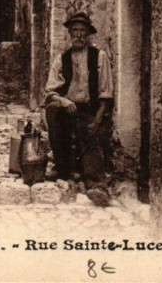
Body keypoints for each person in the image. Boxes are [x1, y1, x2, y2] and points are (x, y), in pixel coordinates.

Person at [44, 11, 114, 206]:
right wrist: (64, 101)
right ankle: (62, 166)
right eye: (75, 31)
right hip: (68, 107)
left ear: (88, 35)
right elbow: (50, 91)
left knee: (89, 133)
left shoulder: (99, 57)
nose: (78, 35)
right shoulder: (61, 59)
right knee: (52, 110)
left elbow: (106, 93)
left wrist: (98, 119)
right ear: (69, 33)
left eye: (83, 31)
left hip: (89, 110)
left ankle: (97, 186)